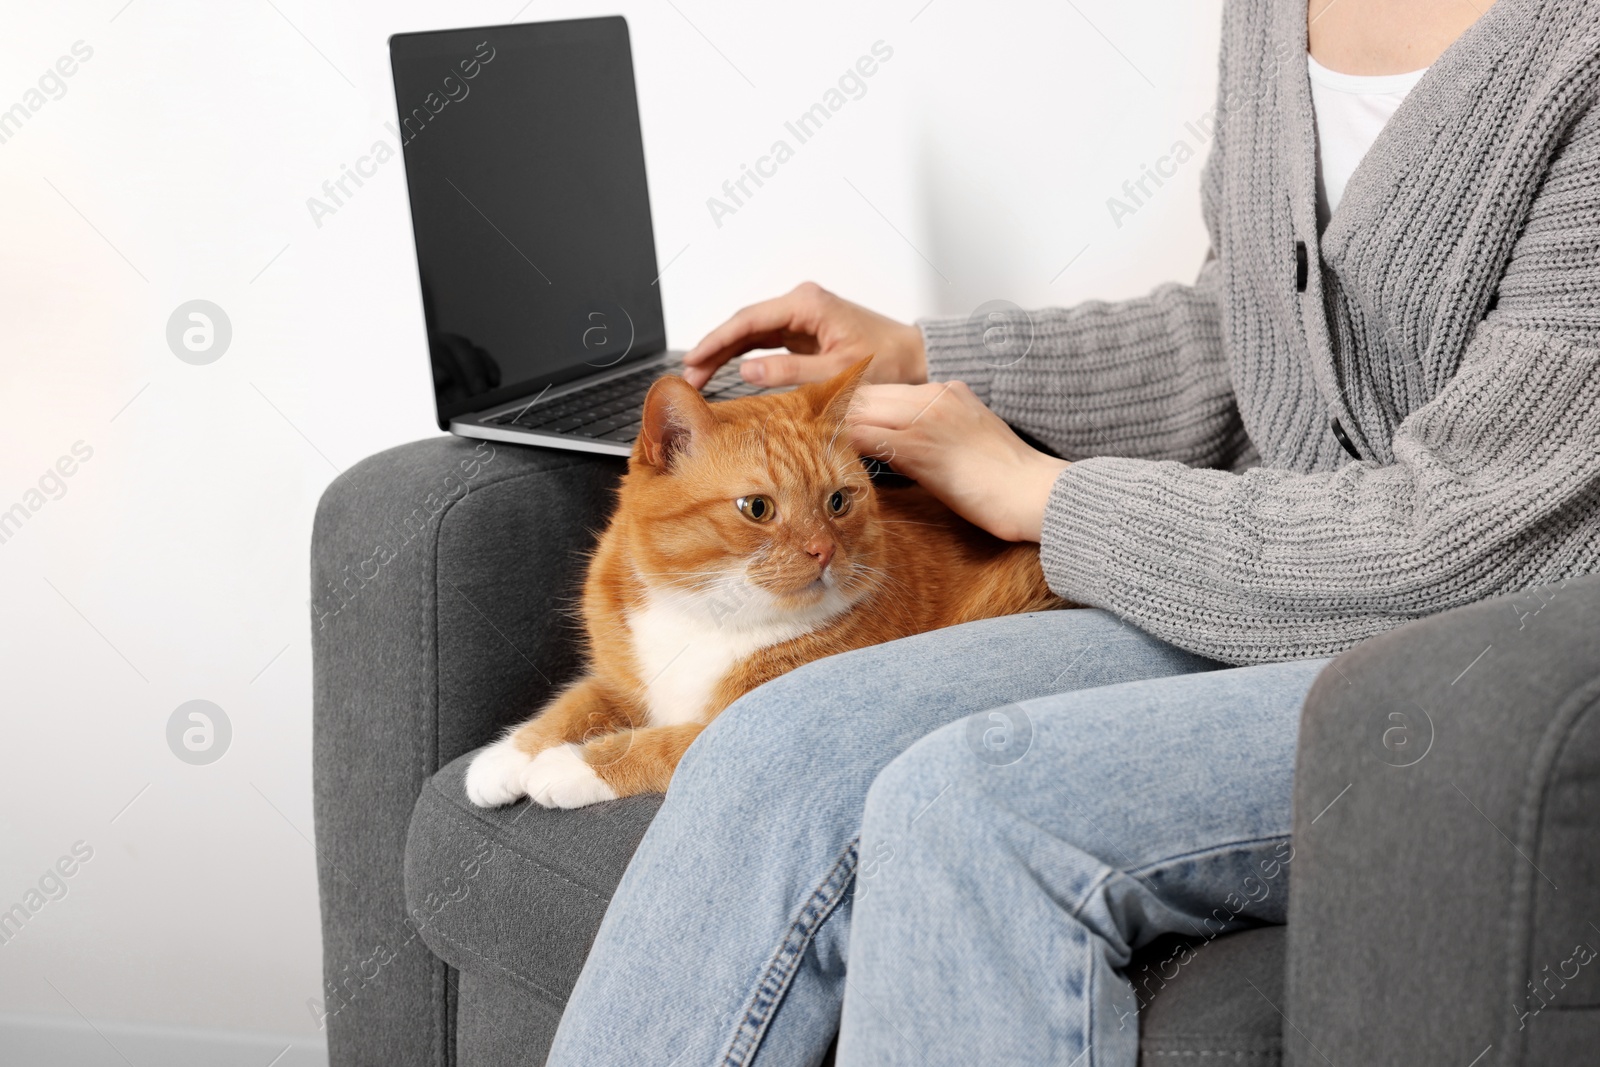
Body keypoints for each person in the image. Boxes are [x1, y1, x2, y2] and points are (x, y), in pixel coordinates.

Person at [547, 0, 1600, 1062]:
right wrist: (925, 355)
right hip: (1259, 577)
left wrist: (1047, 497)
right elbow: (1248, 330)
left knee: (969, 807)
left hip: (1488, 647)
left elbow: (1477, 531)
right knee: (780, 747)